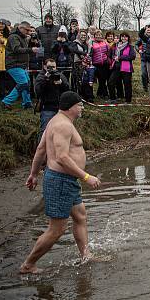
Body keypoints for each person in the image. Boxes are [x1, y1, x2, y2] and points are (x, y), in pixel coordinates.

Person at [21, 91, 102, 274]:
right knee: (56, 230)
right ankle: (28, 264)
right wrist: (87, 177)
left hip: (67, 181)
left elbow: (41, 149)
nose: (82, 108)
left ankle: (85, 255)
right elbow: (62, 157)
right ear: (72, 106)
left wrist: (33, 174)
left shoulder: (55, 122)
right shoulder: (63, 125)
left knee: (80, 216)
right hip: (60, 181)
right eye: (80, 105)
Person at [2, 21, 37, 109]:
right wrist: (31, 49)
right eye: (27, 30)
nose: (29, 32)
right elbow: (17, 49)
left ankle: (27, 103)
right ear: (21, 28)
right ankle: (7, 101)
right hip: (14, 64)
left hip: (21, 65)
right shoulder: (13, 37)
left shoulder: (22, 37)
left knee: (27, 83)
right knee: (23, 83)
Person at [35, 57, 70, 136]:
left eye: (53, 67)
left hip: (60, 108)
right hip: (47, 108)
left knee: (62, 131)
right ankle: (42, 148)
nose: (51, 69)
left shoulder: (60, 75)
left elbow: (68, 89)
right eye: (49, 67)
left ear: (56, 67)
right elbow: (38, 91)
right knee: (45, 131)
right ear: (44, 67)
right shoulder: (41, 76)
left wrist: (61, 83)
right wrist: (46, 79)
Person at [108, 32, 136, 103]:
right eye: (122, 37)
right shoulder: (116, 45)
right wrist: (113, 57)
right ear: (120, 37)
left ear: (128, 38)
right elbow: (112, 54)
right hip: (116, 67)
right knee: (111, 82)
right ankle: (113, 98)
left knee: (127, 84)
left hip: (126, 68)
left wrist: (120, 57)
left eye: (125, 37)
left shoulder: (130, 47)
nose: (124, 38)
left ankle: (128, 100)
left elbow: (132, 56)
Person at [69, 31, 94, 102]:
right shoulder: (75, 43)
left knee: (86, 80)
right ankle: (77, 96)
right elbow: (73, 50)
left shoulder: (86, 44)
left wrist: (87, 56)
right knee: (78, 81)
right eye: (82, 35)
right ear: (79, 35)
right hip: (77, 64)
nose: (83, 36)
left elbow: (90, 52)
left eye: (84, 35)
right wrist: (83, 54)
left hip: (85, 64)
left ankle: (87, 96)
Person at [90, 30, 110, 99]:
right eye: (97, 35)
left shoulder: (105, 43)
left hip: (104, 63)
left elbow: (108, 52)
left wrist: (108, 60)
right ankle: (103, 94)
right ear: (94, 36)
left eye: (99, 35)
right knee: (99, 79)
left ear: (102, 36)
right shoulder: (92, 43)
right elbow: (90, 54)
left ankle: (102, 94)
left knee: (103, 80)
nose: (98, 36)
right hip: (96, 64)